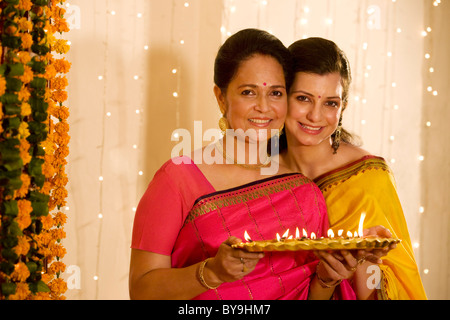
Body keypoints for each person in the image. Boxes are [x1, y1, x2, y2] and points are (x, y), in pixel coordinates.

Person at [129, 29, 358, 300]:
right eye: (249, 92)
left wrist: (326, 279)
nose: (263, 107)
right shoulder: (177, 178)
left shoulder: (305, 192)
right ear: (221, 97)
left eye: (275, 93)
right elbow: (141, 290)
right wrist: (212, 273)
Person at [280, 37, 427, 299]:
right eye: (304, 98)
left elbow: (401, 283)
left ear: (343, 108)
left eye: (330, 103)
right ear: (281, 98)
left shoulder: (368, 177)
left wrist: (365, 261)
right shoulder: (258, 172)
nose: (316, 116)